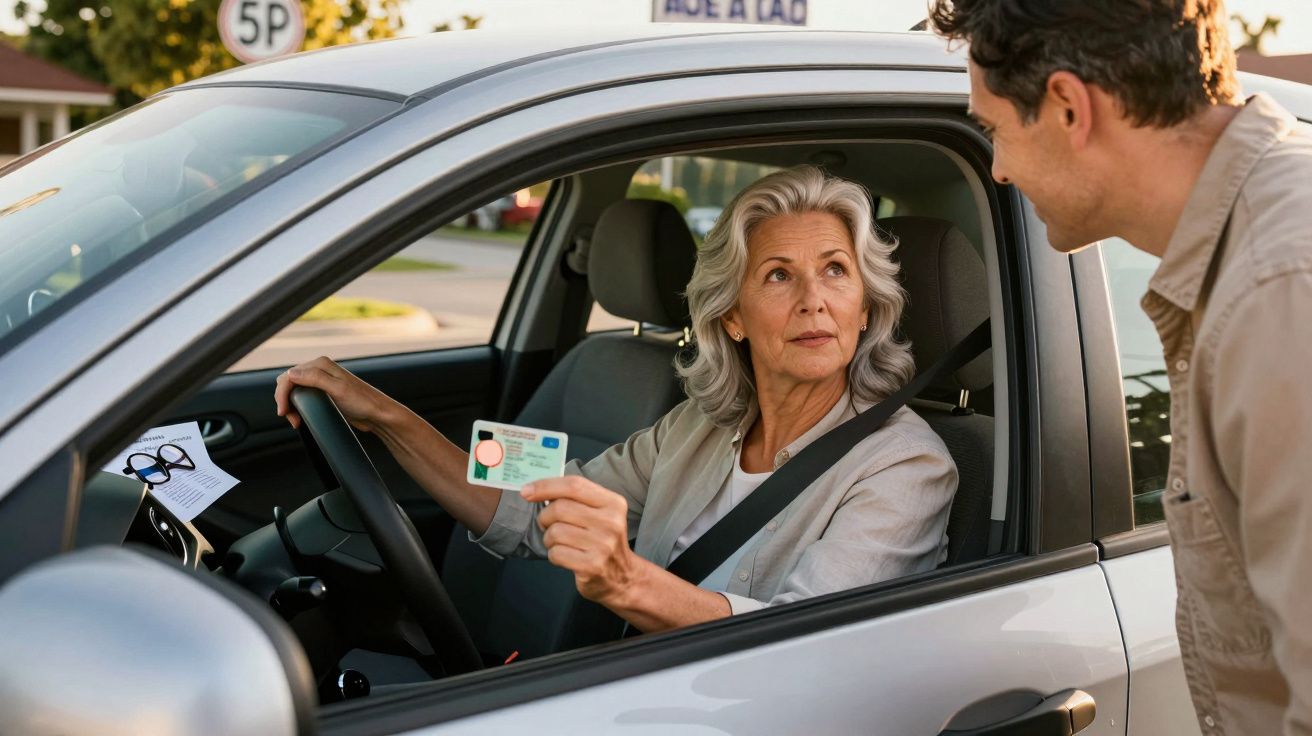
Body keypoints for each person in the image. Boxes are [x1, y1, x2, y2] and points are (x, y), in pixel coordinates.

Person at [274, 165, 957, 635]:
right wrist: (387, 418)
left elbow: (804, 642)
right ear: (732, 317)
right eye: (779, 274)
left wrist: (628, 582)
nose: (814, 299)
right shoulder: (695, 425)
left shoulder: (903, 466)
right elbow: (528, 496)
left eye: (836, 271)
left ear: (866, 308)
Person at [930, 1, 1312, 734]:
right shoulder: (1254, 254)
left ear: (1070, 106)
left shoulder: (1279, 293)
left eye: (995, 130)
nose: (1000, 170)